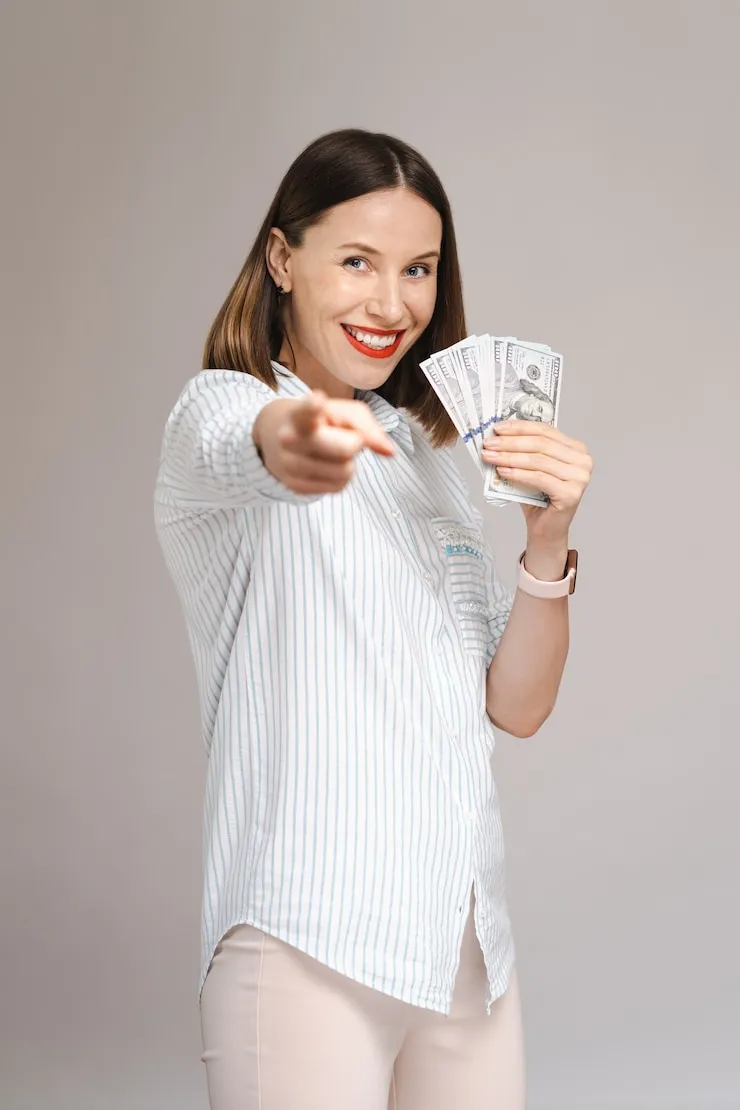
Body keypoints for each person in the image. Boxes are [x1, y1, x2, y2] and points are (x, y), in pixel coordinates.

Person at [153, 128, 593, 1110]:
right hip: (307, 946)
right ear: (281, 259)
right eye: (356, 261)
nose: (391, 304)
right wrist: (297, 435)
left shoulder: (434, 459)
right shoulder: (217, 411)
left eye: (418, 269)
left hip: (469, 958)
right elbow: (244, 442)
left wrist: (547, 538)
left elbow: (513, 707)